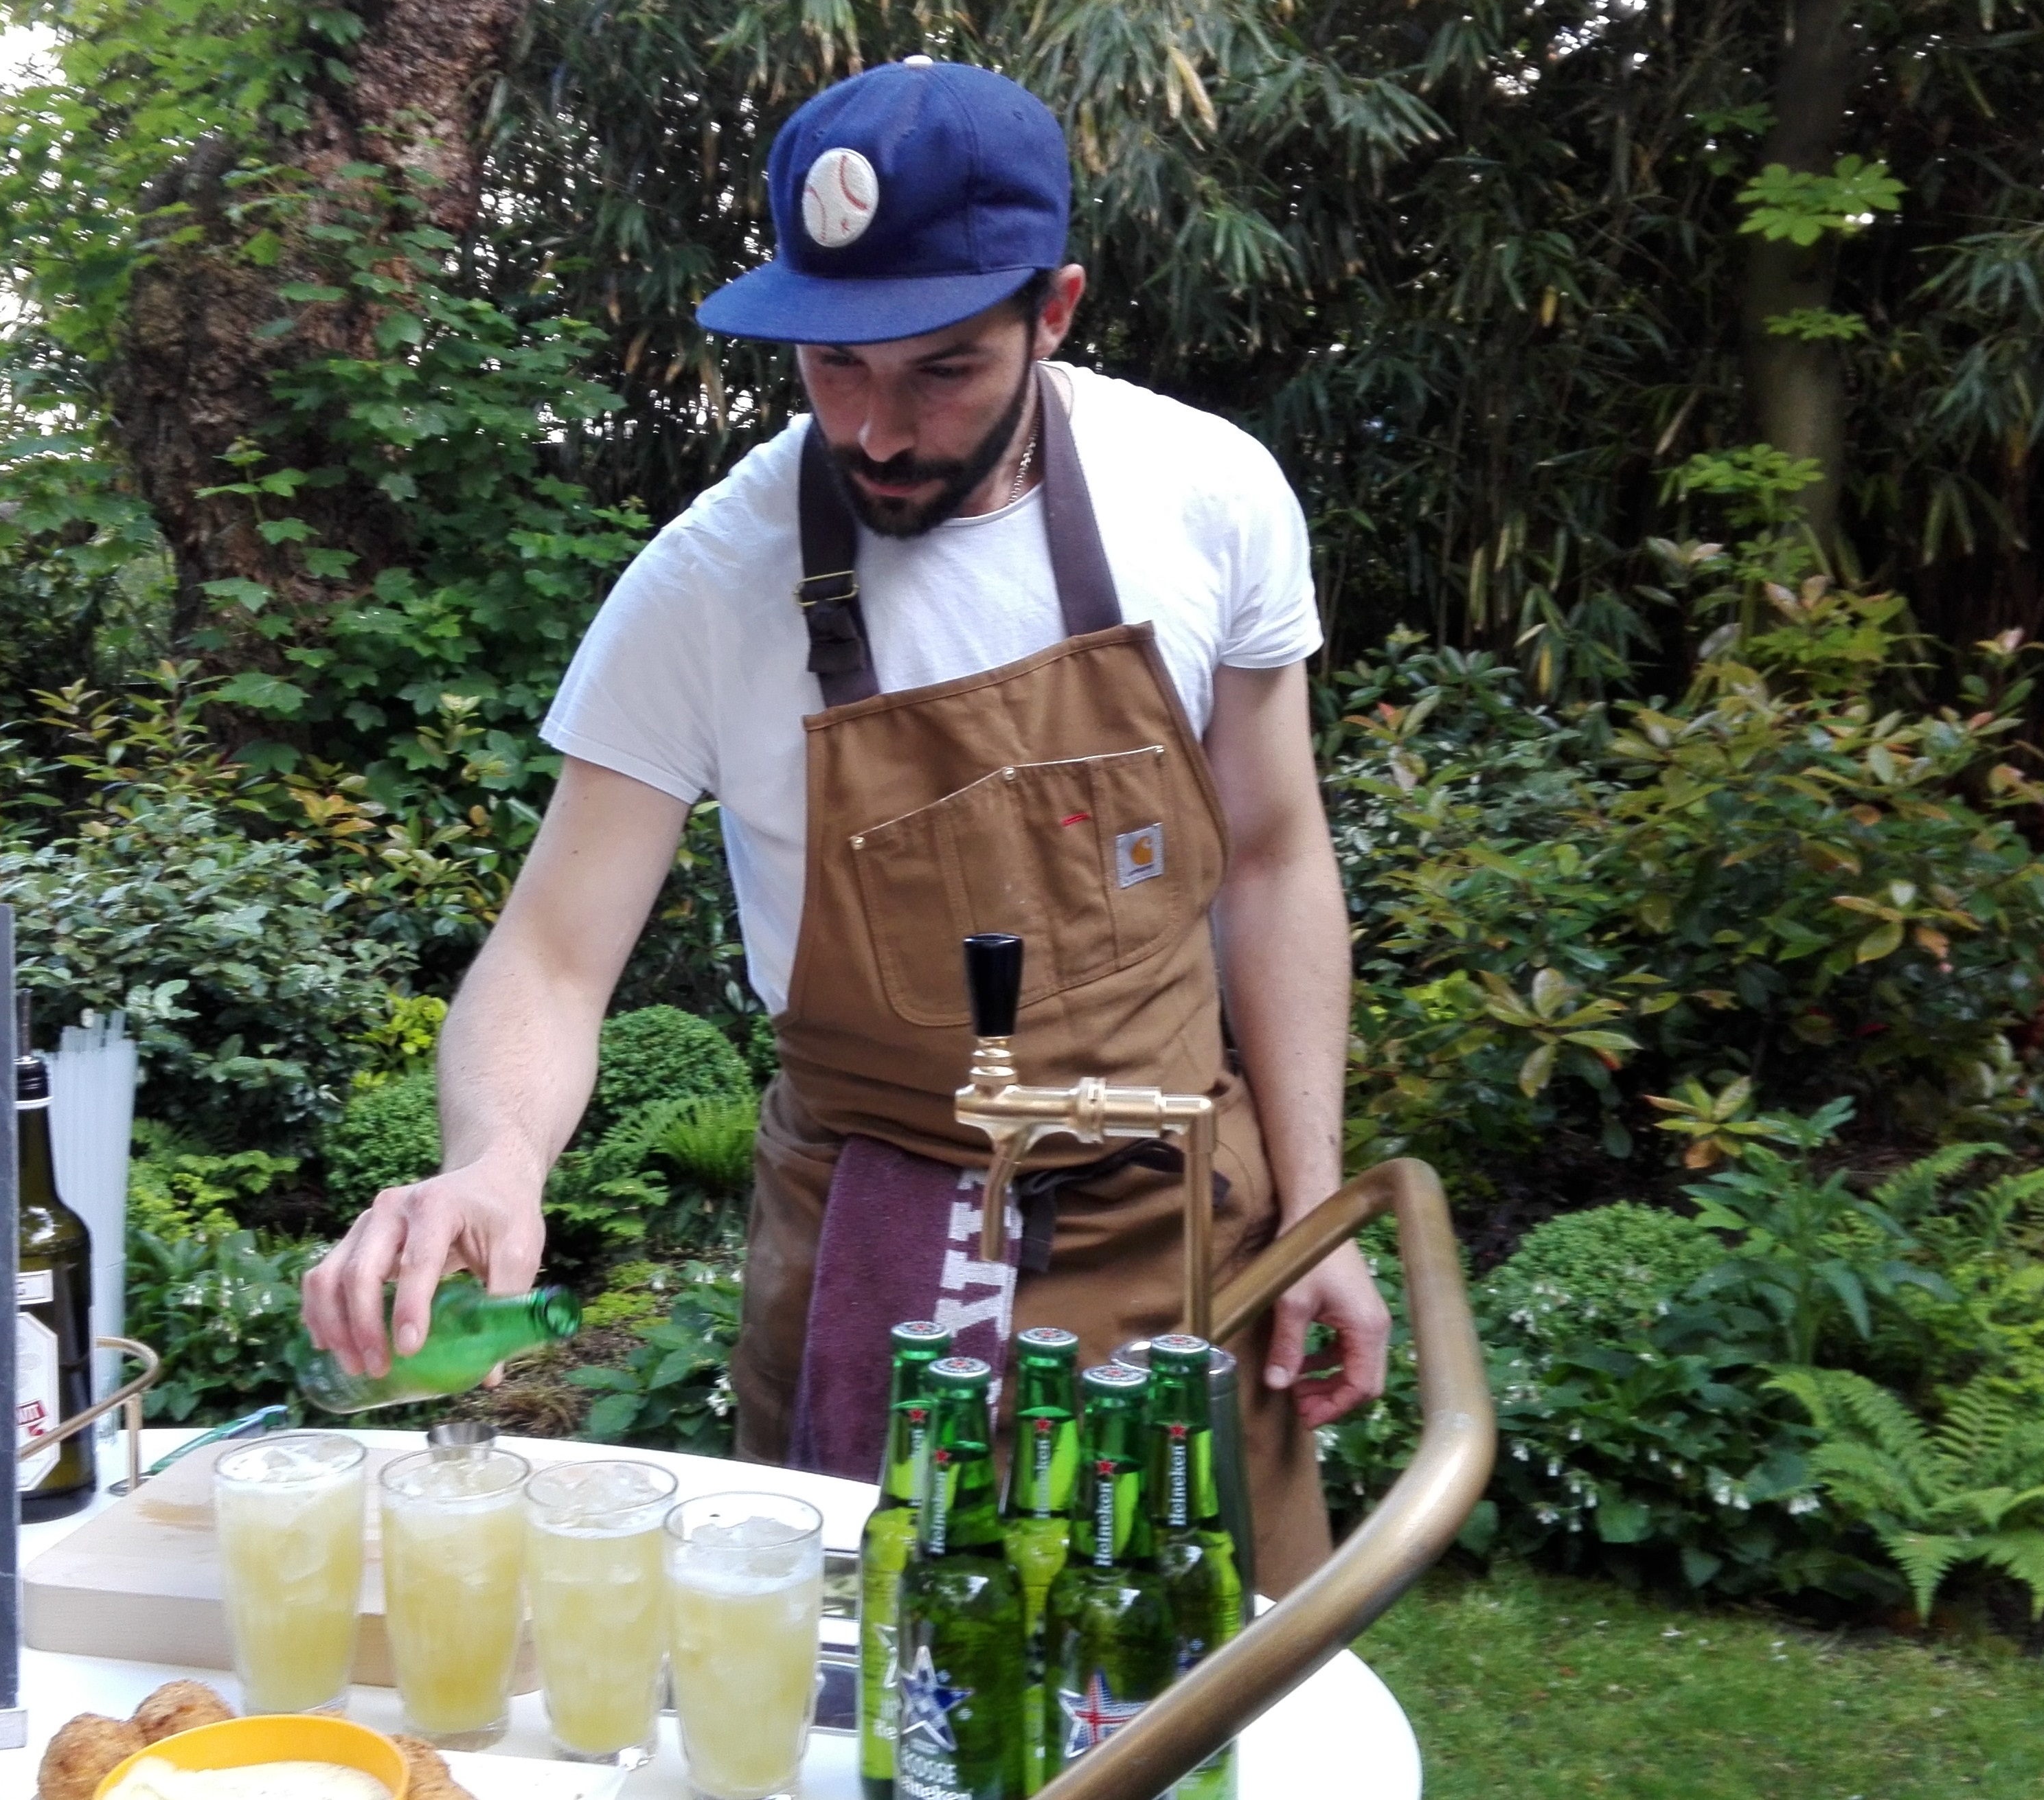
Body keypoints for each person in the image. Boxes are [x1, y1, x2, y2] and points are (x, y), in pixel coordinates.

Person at [303, 56, 1387, 1593]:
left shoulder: (1209, 496)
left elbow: (1273, 862)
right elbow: (550, 951)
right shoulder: (707, 584)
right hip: (872, 1232)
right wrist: (493, 1163)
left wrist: (1322, 1202)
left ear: (1055, 310)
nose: (876, 432)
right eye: (832, 369)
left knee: (1199, 1677)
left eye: (939, 370)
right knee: (869, 1683)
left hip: (1181, 1219)